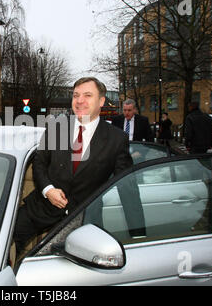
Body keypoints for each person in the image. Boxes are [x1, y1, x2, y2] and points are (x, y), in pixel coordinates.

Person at [13, 77, 145, 256]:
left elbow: (127, 188)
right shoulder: (56, 127)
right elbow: (39, 163)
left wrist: (139, 236)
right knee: (4, 246)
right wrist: (48, 190)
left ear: (101, 101)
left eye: (87, 95)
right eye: (76, 95)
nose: (80, 100)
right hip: (41, 208)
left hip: (84, 218)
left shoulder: (116, 139)